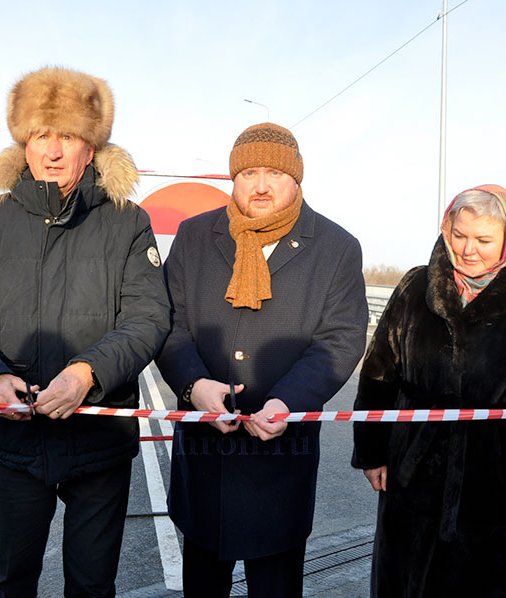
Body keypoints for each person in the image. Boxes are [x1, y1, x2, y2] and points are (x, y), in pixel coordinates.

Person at [0, 67, 170, 598]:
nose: (54, 151)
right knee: (13, 580)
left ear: (92, 147)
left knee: (91, 584)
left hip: (99, 444)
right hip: (16, 444)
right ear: (24, 142)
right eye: (42, 135)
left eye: (68, 136)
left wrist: (87, 374)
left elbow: (148, 316)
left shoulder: (127, 221)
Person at [156, 122, 368, 597]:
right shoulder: (193, 237)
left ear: (297, 178)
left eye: (274, 172)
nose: (262, 184)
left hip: (280, 457)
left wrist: (287, 403)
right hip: (206, 455)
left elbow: (340, 339)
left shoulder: (337, 248)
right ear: (233, 179)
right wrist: (194, 388)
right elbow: (169, 325)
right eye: (249, 172)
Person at [352, 184, 506, 597]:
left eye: (483, 239)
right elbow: (379, 372)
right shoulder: (415, 287)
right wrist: (372, 451)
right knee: (406, 581)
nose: (467, 250)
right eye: (459, 235)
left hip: (497, 478)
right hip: (415, 472)